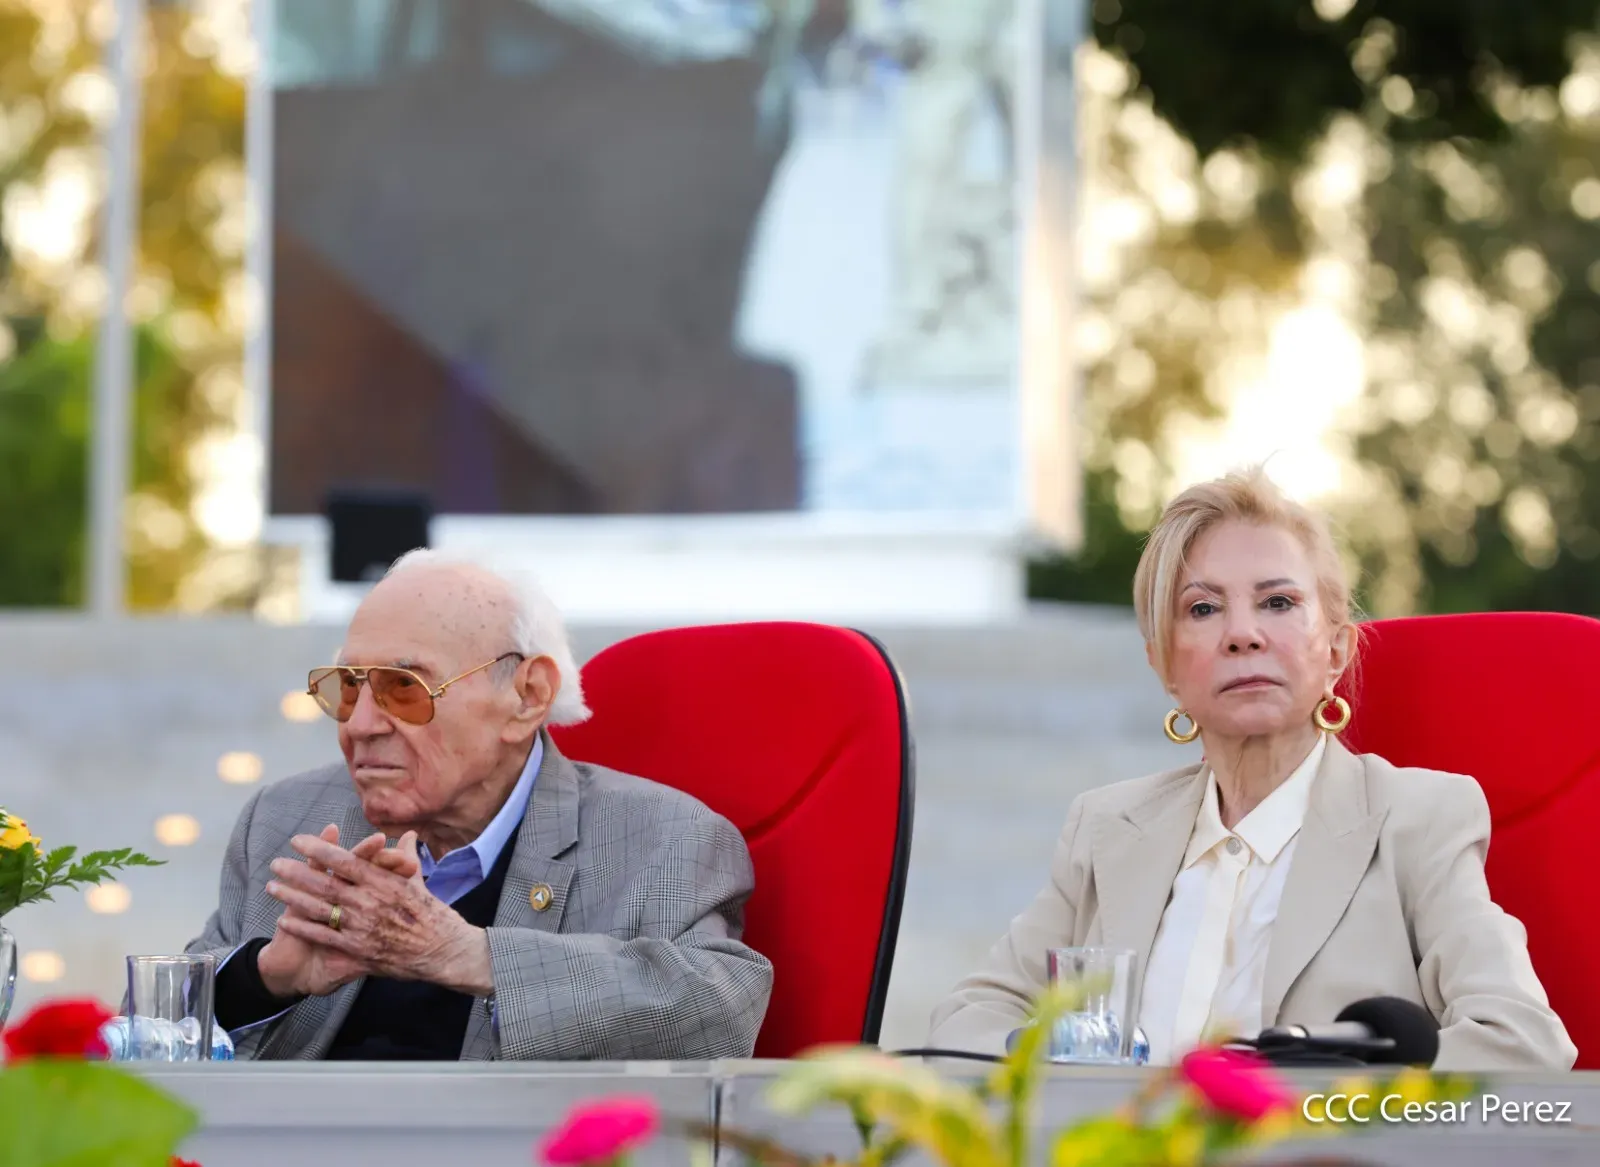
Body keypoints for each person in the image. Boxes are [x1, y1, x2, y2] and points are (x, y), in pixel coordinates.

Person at [927, 468, 1576, 1071]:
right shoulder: (1105, 828)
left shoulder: (1418, 820)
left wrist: (1308, 1101)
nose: (1243, 633)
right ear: (1164, 665)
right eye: (1203, 608)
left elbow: (1521, 1040)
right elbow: (965, 1023)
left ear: (1336, 651)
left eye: (1278, 602)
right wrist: (1066, 1065)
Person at [186, 549, 773, 1060]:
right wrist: (263, 979)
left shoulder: (662, 839)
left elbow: (719, 1015)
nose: (360, 725)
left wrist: (468, 955)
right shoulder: (286, 817)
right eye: (350, 687)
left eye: (403, 686)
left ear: (528, 696)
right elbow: (161, 1025)